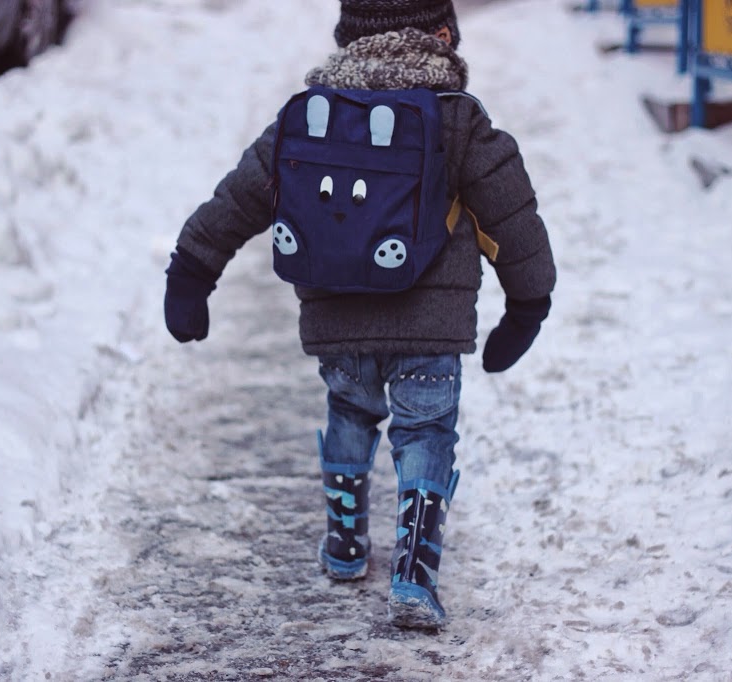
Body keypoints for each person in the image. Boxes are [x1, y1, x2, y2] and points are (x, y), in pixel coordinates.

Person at [163, 0, 556, 629]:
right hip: (430, 331)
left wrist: (192, 268)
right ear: (443, 34)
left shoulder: (313, 115)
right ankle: (414, 573)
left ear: (347, 36)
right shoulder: (456, 118)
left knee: (349, 414)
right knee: (425, 435)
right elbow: (511, 215)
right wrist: (528, 302)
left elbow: (241, 195)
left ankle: (345, 544)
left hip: (339, 325)